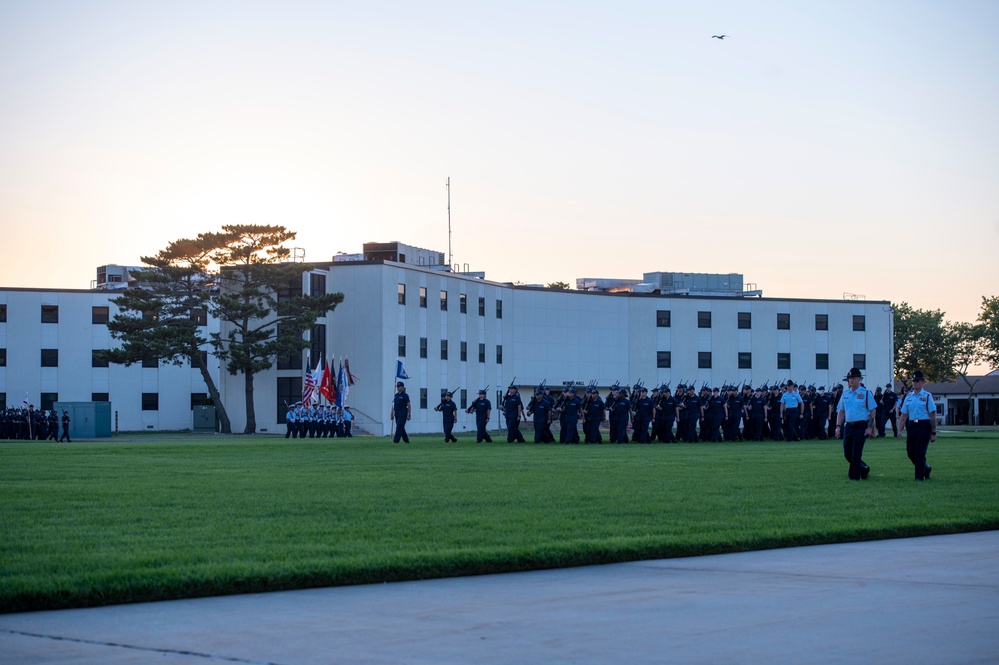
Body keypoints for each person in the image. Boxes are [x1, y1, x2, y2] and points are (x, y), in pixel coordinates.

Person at [835, 367, 875, 480]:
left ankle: (854, 477)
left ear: (859, 379)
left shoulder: (866, 393)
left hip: (861, 426)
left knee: (856, 453)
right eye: (849, 378)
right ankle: (864, 468)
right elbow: (841, 411)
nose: (851, 380)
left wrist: (870, 427)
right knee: (847, 453)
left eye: (853, 378)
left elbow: (872, 411)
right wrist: (838, 426)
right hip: (848, 426)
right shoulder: (845, 393)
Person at [897, 370, 936, 481]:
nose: (915, 383)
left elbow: (932, 415)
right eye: (913, 381)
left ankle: (919, 477)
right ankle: (926, 468)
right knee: (910, 452)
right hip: (912, 427)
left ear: (922, 382)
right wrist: (899, 430)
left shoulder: (927, 396)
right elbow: (904, 415)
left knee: (919, 452)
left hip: (923, 426)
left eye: (917, 381)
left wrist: (933, 432)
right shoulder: (908, 397)